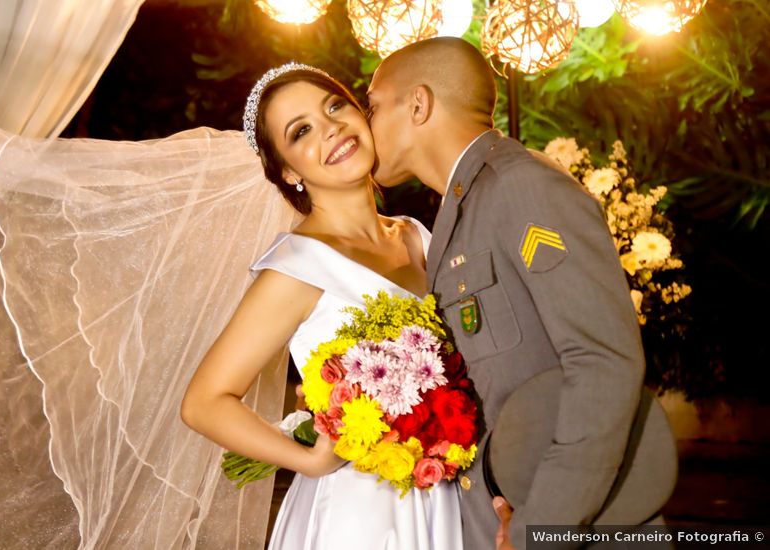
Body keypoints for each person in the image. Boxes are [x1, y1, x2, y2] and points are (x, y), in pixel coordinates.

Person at [366, 38, 647, 549]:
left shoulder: (521, 187)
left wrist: (547, 521)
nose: (365, 126)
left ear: (418, 104)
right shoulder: (461, 208)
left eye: (373, 105)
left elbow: (604, 362)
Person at [181, 63, 464, 550]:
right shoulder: (297, 267)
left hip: (449, 490)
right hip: (363, 515)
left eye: (335, 106)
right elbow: (204, 402)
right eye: (302, 131)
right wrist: (309, 459)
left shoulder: (417, 235)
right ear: (289, 171)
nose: (330, 127)